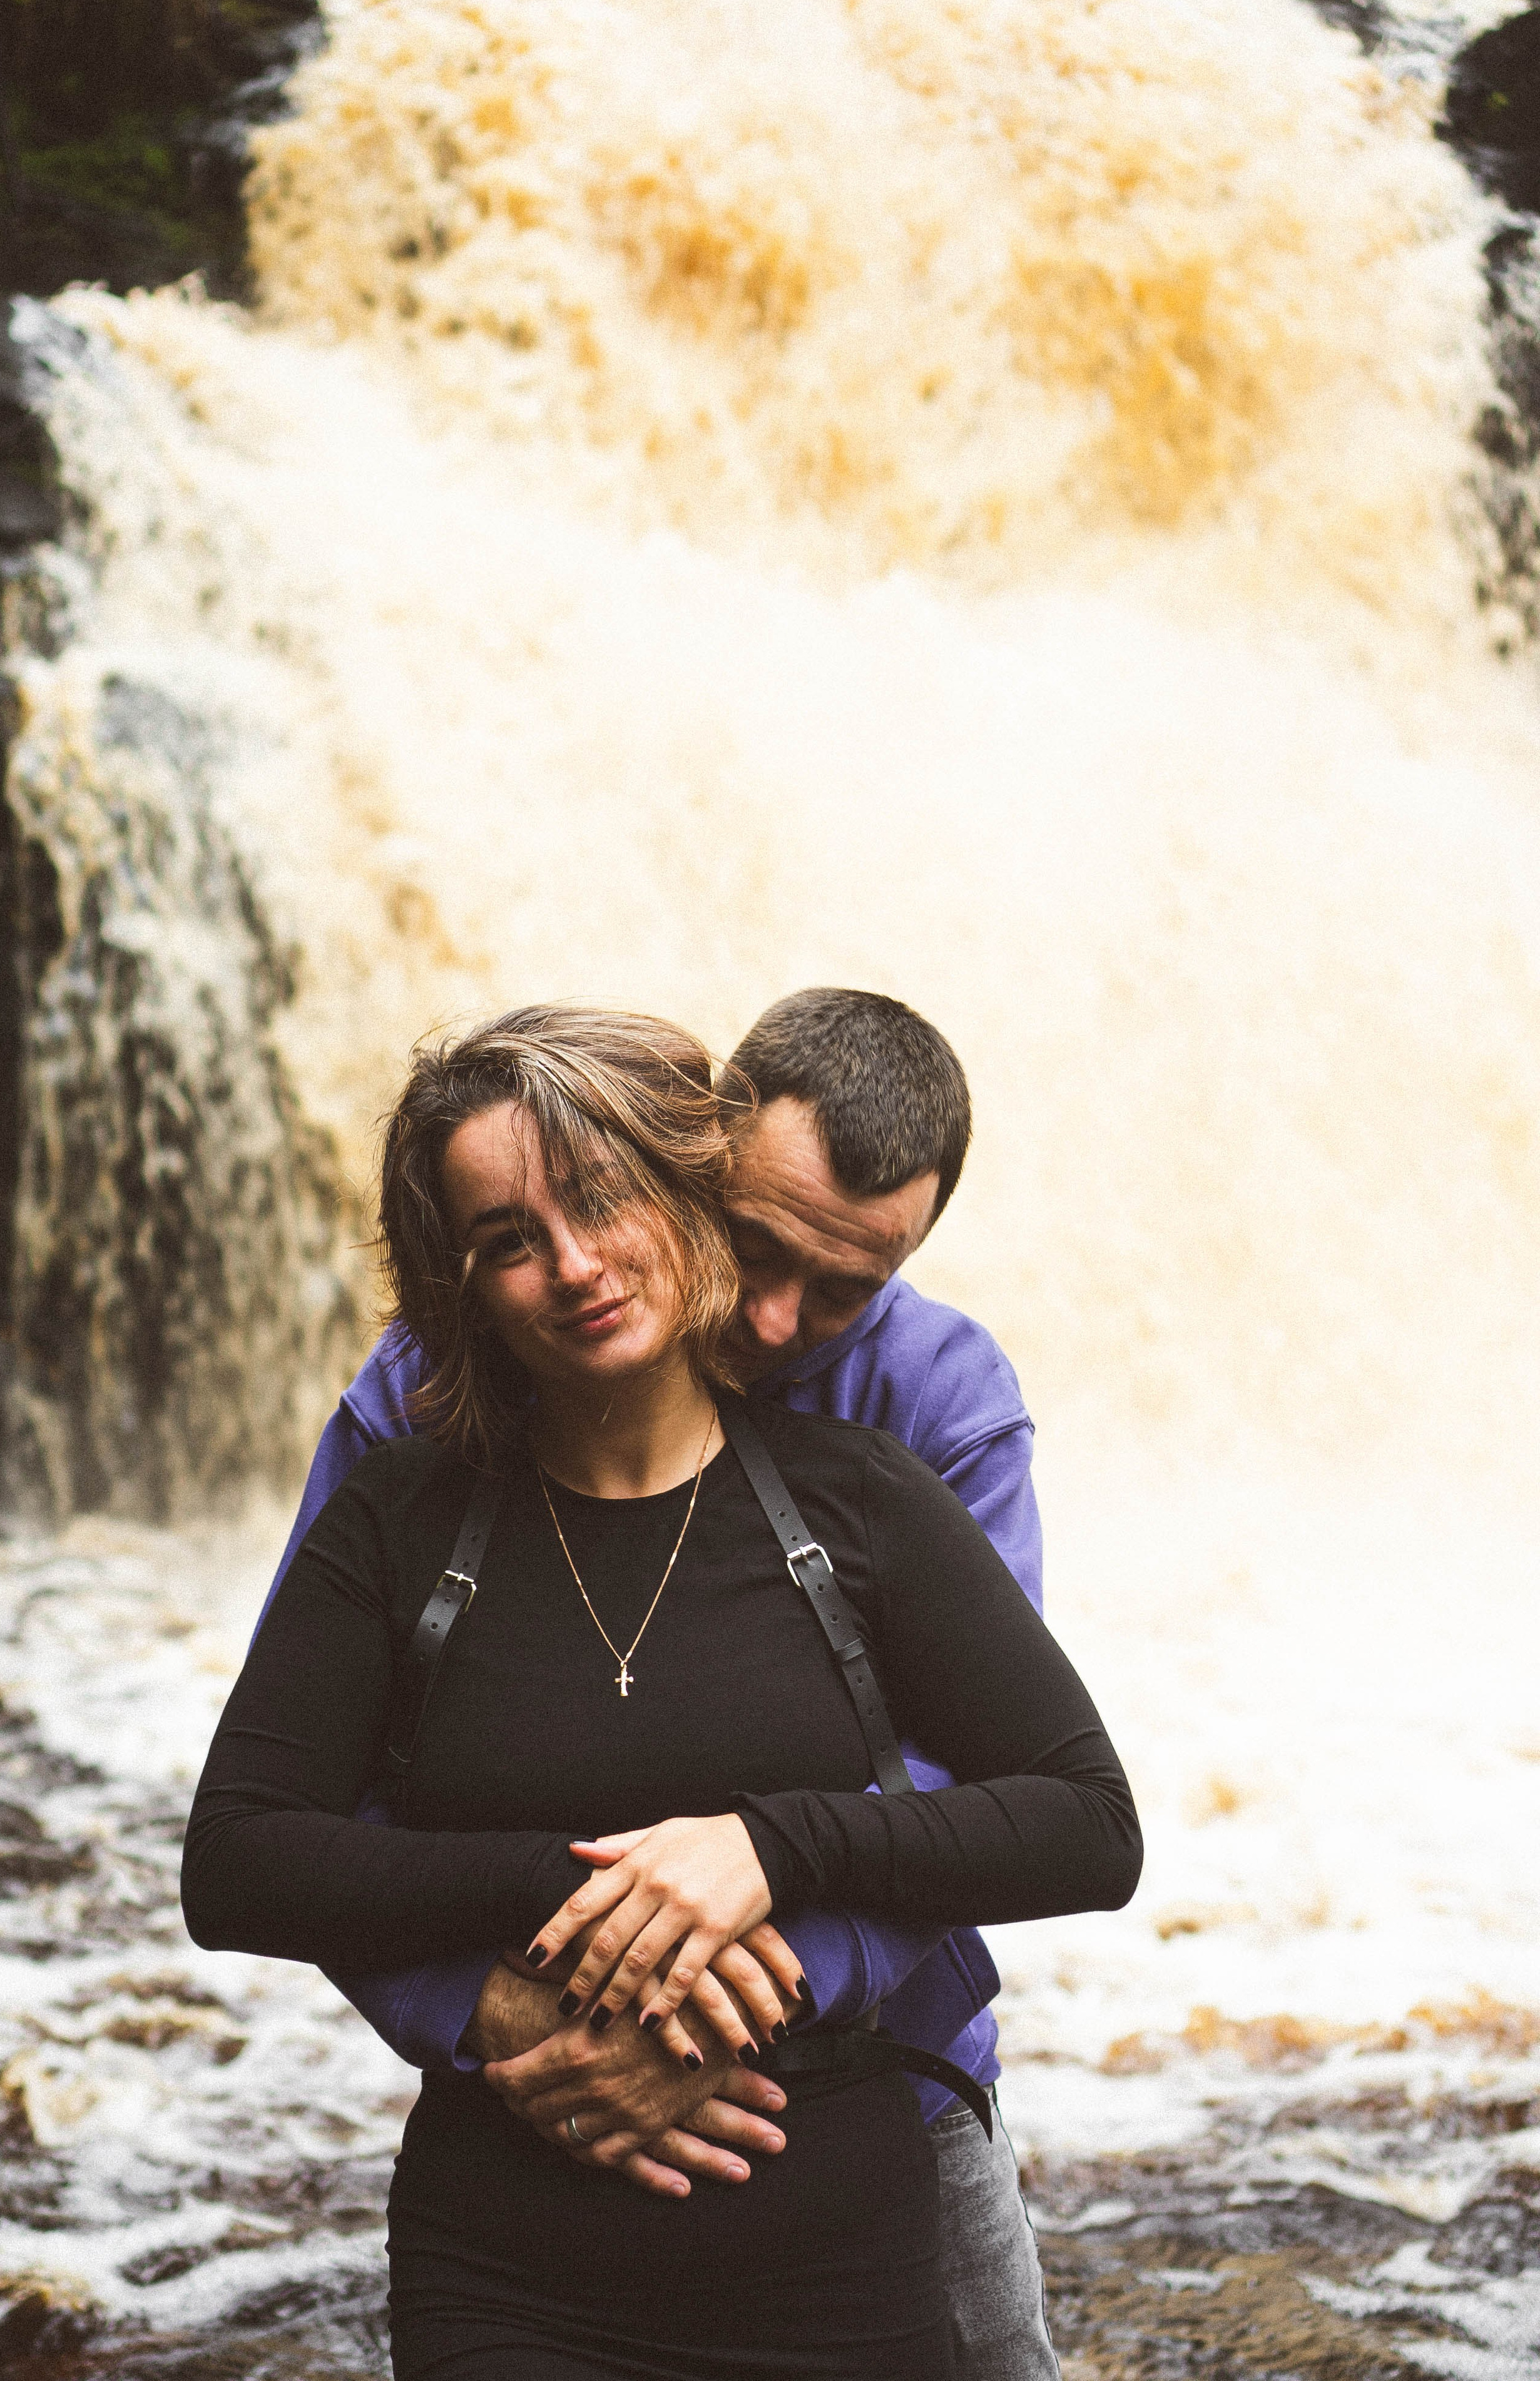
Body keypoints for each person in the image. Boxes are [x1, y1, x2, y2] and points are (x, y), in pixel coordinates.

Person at [183, 1005, 1141, 2380]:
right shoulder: (431, 1404)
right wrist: (489, 2009)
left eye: (841, 1289)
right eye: (756, 1249)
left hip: (877, 2072)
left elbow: (983, 1781)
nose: (773, 1320)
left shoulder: (925, 1411)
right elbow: (309, 1805)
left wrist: (738, 1987)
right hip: (532, 2126)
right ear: (699, 1166)